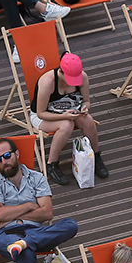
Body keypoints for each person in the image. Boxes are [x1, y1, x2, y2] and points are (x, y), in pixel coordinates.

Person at [31, 52, 109, 186]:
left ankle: (95, 156)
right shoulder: (48, 82)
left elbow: (86, 101)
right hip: (45, 115)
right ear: (61, 72)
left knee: (88, 120)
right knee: (66, 125)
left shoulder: (83, 77)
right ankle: (52, 164)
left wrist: (84, 108)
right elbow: (40, 113)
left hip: (71, 110)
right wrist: (63, 116)